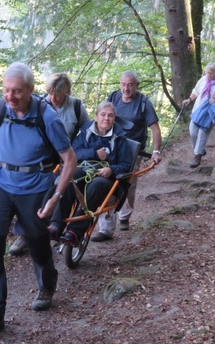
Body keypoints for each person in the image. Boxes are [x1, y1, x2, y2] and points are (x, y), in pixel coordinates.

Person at [0, 62, 77, 343]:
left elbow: (69, 160)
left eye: (17, 91)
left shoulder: (47, 117)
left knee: (36, 239)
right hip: (2, 185)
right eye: (6, 90)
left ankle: (46, 285)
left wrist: (55, 197)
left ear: (30, 90)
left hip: (35, 187)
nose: (10, 96)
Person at [9, 72, 90, 256]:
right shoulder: (38, 105)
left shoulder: (76, 107)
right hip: (41, 158)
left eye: (59, 94)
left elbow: (86, 132)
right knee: (30, 193)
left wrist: (77, 153)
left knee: (59, 189)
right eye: (51, 93)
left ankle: (55, 227)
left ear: (67, 93)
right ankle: (23, 234)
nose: (54, 98)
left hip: (66, 157)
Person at [48, 101, 133, 245]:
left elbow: (126, 165)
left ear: (114, 119)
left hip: (107, 180)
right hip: (84, 171)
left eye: (110, 116)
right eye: (103, 115)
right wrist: (94, 154)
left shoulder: (120, 139)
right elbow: (73, 153)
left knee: (96, 184)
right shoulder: (85, 132)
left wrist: (111, 170)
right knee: (70, 179)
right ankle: (56, 225)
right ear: (96, 117)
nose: (106, 118)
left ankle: (75, 231)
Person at [92, 70, 162, 241]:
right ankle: (106, 229)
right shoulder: (114, 97)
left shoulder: (144, 103)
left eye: (130, 84)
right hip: (111, 147)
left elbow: (154, 128)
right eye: (123, 84)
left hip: (132, 151)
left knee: (128, 185)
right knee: (106, 183)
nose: (126, 88)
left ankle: (124, 215)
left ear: (136, 85)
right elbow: (103, 118)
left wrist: (156, 151)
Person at [181, 63, 215, 168]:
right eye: (208, 73)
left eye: (211, 73)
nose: (209, 75)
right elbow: (196, 91)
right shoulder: (203, 80)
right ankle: (199, 149)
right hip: (198, 109)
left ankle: (197, 156)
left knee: (203, 133)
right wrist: (189, 100)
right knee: (193, 131)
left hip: (210, 112)